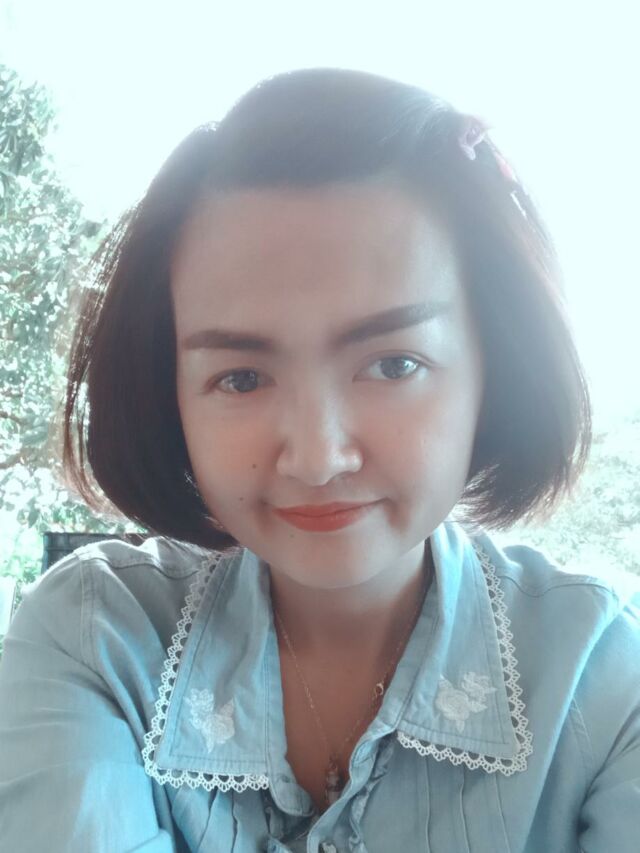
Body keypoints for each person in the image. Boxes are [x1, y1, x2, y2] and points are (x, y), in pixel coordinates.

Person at [0, 67, 638, 853]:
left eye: (394, 364)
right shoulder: (96, 639)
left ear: (495, 367)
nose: (317, 456)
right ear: (169, 395)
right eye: (241, 377)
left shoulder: (607, 674)